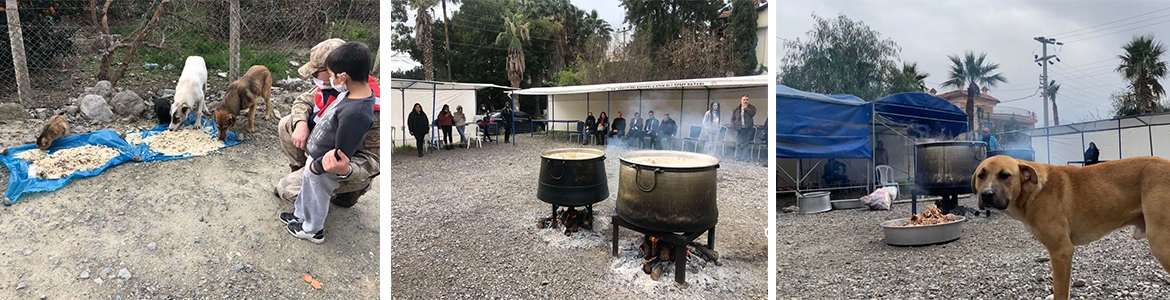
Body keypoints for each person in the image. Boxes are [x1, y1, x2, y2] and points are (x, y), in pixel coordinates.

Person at [281, 41, 377, 243]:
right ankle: (301, 216)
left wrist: (325, 167)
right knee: (307, 183)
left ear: (342, 75)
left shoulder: (362, 110)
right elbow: (302, 101)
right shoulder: (346, 90)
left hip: (334, 166)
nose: (315, 79)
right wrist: (301, 124)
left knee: (302, 189)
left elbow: (355, 156)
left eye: (321, 74)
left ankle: (313, 228)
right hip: (318, 153)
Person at [730, 95, 756, 160]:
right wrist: (734, 126)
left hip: (747, 129)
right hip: (738, 129)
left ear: (748, 101)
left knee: (745, 144)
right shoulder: (737, 109)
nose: (745, 101)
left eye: (747, 99)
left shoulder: (752, 108)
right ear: (741, 100)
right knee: (738, 143)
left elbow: (753, 114)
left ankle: (744, 157)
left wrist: (746, 108)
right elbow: (733, 119)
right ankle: (737, 157)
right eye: (744, 99)